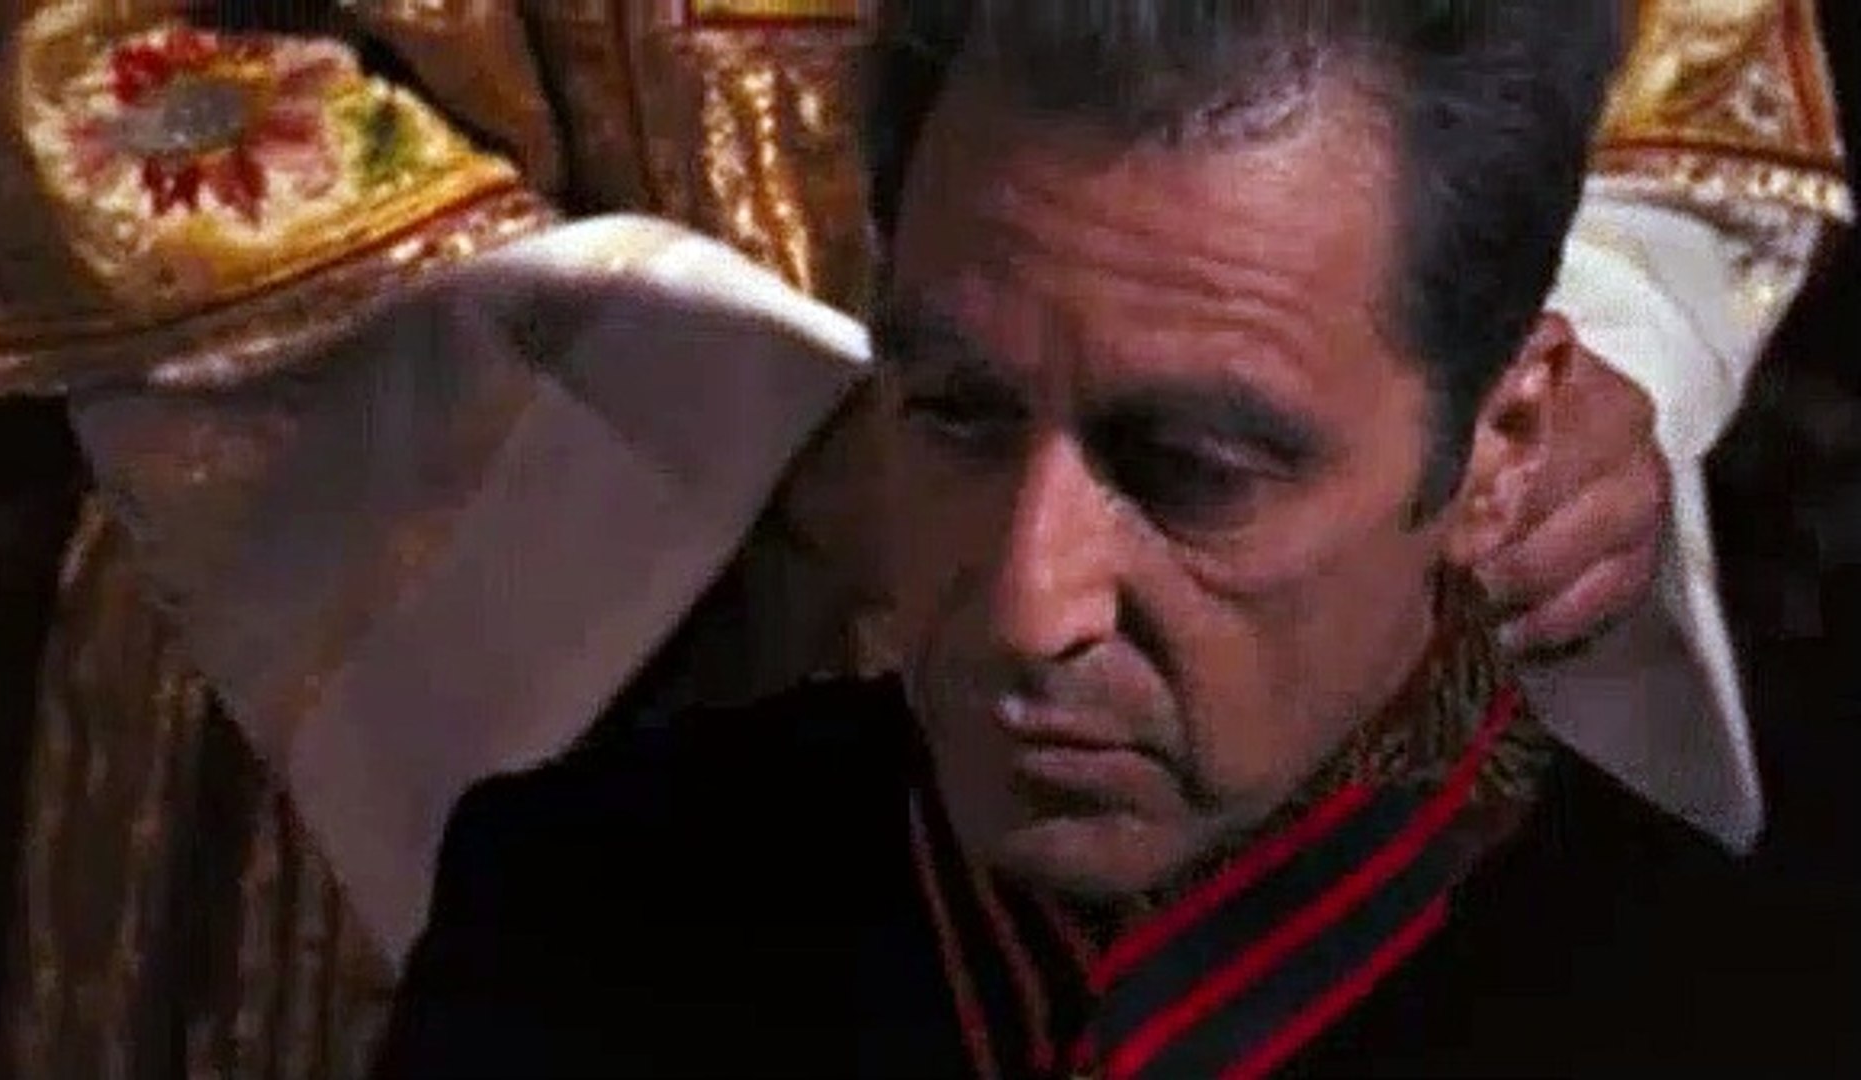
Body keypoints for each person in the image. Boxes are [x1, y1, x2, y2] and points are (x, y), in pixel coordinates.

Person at [370, 2, 1828, 1075]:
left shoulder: (1741, 1031)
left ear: (1503, 446)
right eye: (957, 419)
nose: (1028, 607)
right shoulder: (565, 936)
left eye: (1193, 472)